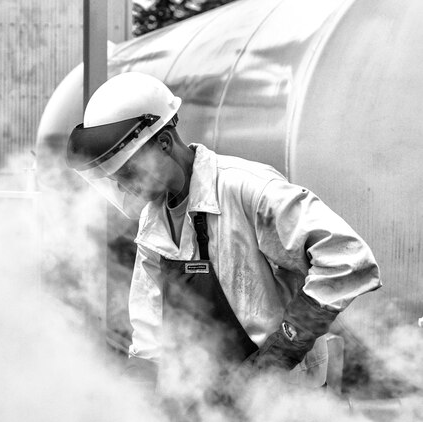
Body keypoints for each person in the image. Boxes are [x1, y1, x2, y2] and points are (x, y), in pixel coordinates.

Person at [65, 72, 381, 395]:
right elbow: (149, 342)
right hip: (219, 410)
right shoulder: (154, 223)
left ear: (163, 142)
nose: (123, 187)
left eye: (128, 172)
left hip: (290, 401)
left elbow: (348, 258)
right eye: (115, 178)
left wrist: (283, 348)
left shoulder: (245, 189)